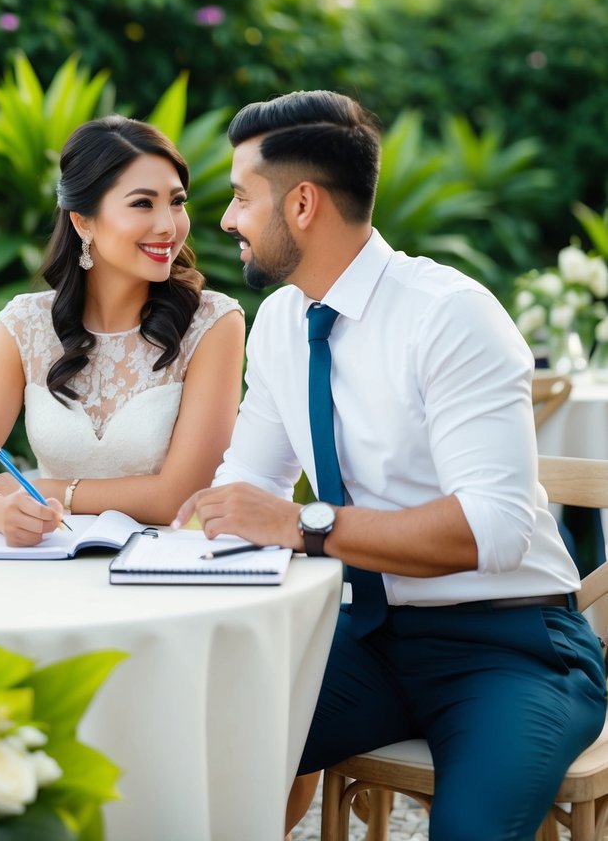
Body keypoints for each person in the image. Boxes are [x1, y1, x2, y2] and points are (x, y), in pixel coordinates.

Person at [173, 90, 607, 841]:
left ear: (301, 204)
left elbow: (492, 529)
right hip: (363, 640)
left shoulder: (450, 316)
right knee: (184, 751)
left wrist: (304, 526)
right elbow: (245, 487)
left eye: (241, 198)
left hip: (511, 649)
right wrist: (186, 536)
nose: (226, 221)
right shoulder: (281, 321)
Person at [0, 115, 245, 545]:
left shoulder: (213, 323)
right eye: (142, 203)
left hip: (163, 569)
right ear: (83, 221)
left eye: (176, 201)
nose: (169, 226)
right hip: (48, 562)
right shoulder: (26, 324)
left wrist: (51, 490)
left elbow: (180, 495)